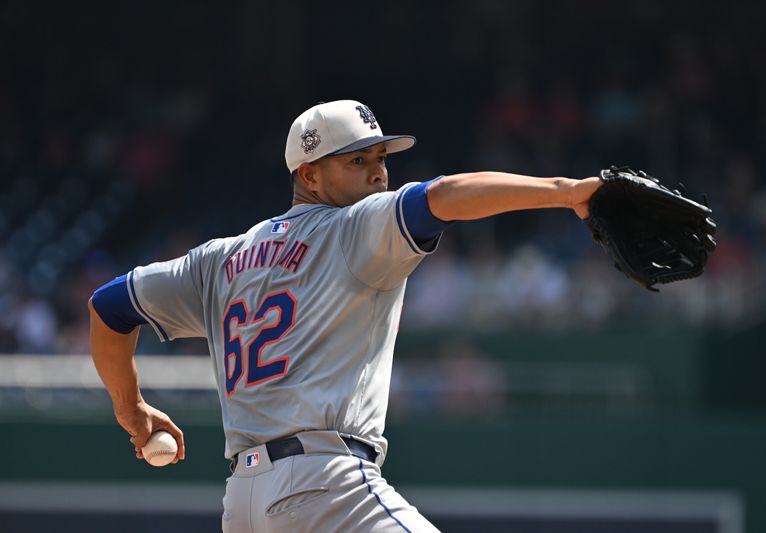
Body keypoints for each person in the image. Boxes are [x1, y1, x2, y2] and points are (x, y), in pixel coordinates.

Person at [88, 99, 602, 532]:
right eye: (357, 161)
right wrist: (568, 192)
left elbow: (109, 306)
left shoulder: (218, 260)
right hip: (325, 486)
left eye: (381, 157)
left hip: (243, 503)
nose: (379, 172)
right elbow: (444, 196)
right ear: (309, 174)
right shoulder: (354, 227)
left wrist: (130, 411)